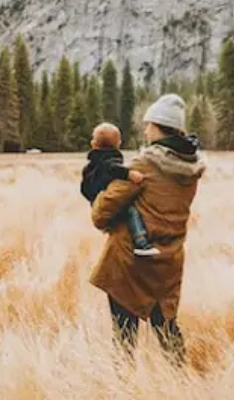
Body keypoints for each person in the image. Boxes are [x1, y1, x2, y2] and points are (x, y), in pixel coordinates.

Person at [88, 94, 207, 366]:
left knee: (124, 338)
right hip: (168, 262)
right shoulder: (190, 168)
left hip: (131, 263)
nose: (145, 130)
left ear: (159, 126)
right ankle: (182, 388)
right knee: (167, 331)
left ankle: (125, 396)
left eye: (149, 125)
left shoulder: (144, 165)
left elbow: (102, 212)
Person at [81, 122, 160, 257]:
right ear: (118, 144)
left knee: (118, 219)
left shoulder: (91, 165)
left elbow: (84, 188)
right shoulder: (109, 160)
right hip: (102, 200)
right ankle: (141, 242)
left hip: (96, 202)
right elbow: (112, 168)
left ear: (93, 144)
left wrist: (93, 198)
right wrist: (129, 174)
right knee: (131, 212)